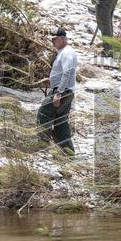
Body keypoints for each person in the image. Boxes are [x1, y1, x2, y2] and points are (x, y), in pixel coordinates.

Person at [37, 27, 78, 155]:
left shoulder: (67, 53)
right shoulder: (64, 52)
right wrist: (51, 80)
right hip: (65, 91)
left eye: (54, 39)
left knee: (43, 112)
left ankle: (42, 145)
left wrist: (58, 93)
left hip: (62, 92)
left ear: (60, 39)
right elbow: (62, 73)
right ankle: (68, 151)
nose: (52, 42)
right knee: (61, 121)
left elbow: (67, 73)